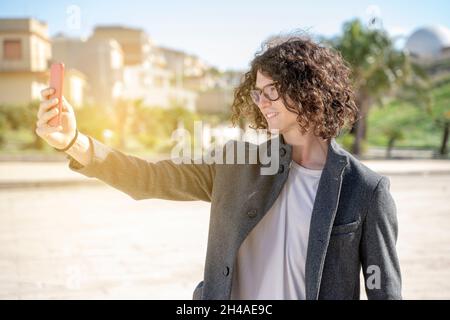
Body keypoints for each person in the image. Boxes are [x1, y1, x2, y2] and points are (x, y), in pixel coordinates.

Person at [36, 34, 402, 300]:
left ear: (309, 89)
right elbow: (149, 178)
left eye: (272, 90)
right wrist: (74, 142)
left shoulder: (366, 190)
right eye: (258, 92)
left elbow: (383, 291)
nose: (262, 102)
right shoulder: (236, 164)